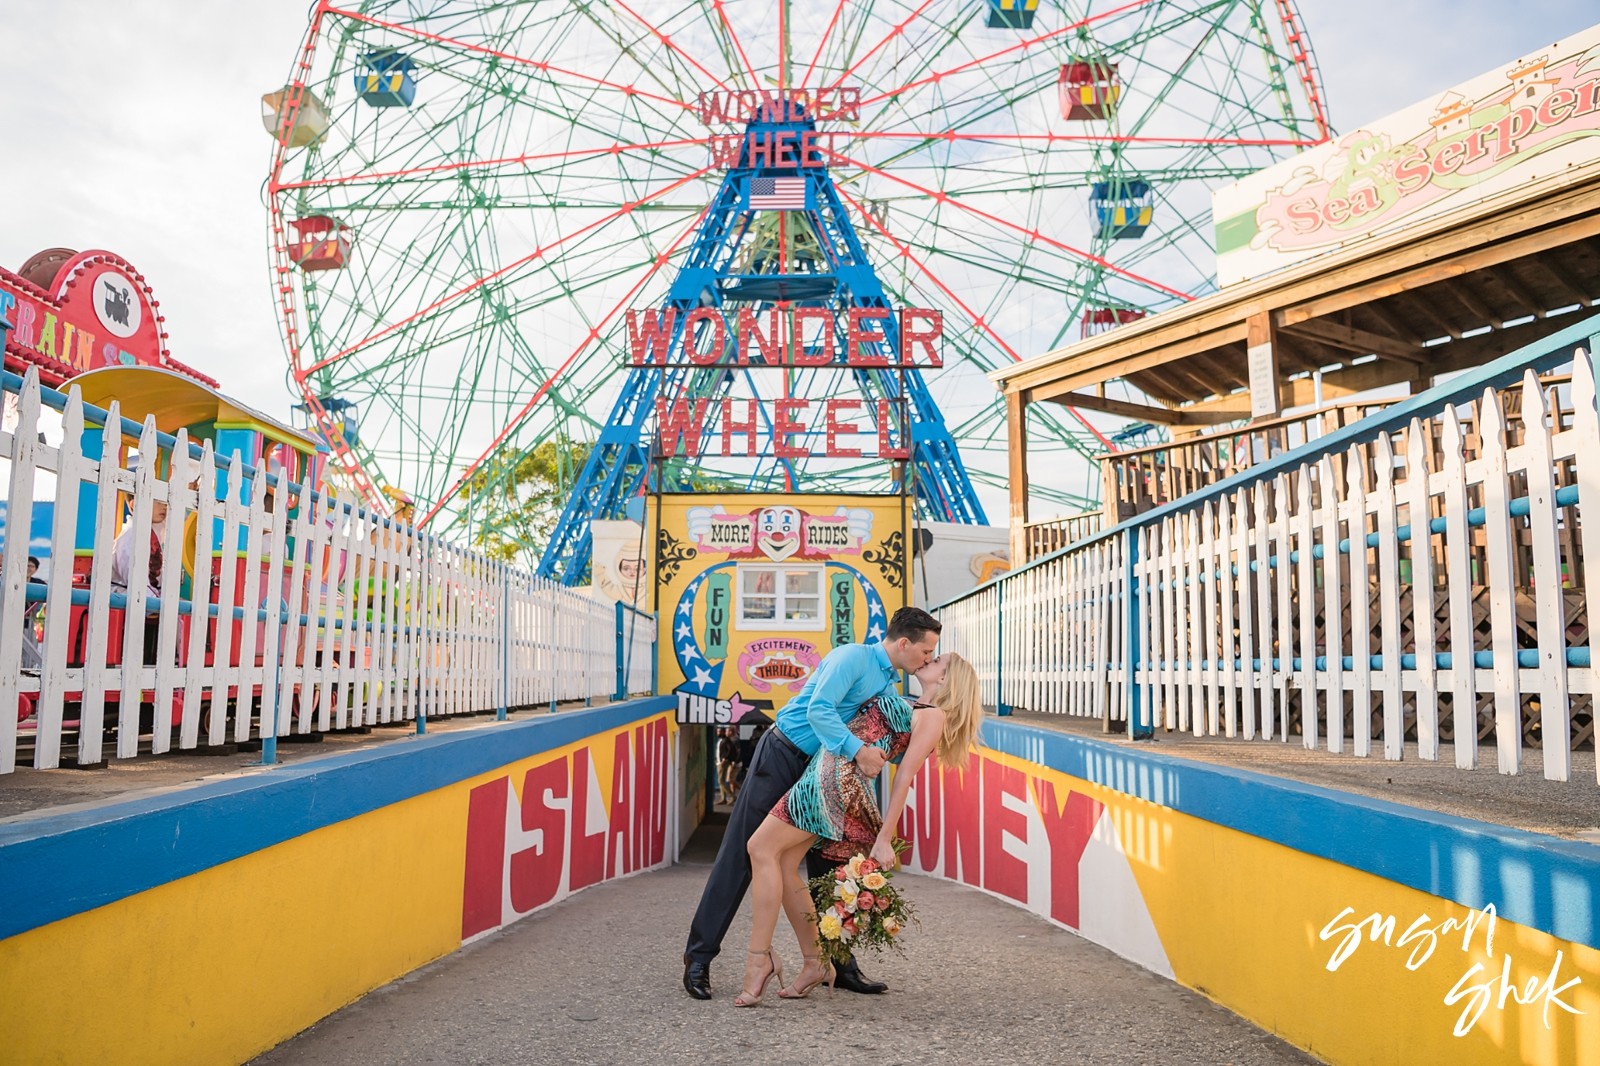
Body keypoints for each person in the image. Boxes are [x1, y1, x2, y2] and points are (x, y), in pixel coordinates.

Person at [681, 605, 942, 1001]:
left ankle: (838, 964)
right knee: (744, 852)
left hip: (823, 770)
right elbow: (820, 709)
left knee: (830, 865)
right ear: (904, 643)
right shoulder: (851, 657)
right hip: (785, 753)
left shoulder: (889, 684)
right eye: (926, 651)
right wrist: (858, 750)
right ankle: (700, 958)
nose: (928, 658)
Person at [735, 652, 983, 1005]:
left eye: (937, 660)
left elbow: (904, 779)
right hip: (826, 772)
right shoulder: (911, 703)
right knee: (783, 864)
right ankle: (814, 963)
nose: (929, 659)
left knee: (760, 849)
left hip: (837, 783)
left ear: (945, 680)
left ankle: (759, 960)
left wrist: (885, 839)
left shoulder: (934, 717)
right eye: (930, 654)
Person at [716, 727, 740, 805]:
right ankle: (723, 798)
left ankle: (732, 795)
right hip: (718, 762)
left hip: (723, 763)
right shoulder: (721, 740)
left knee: (721, 781)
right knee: (721, 782)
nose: (718, 733)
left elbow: (730, 750)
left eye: (720, 731)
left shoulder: (727, 740)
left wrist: (725, 758)